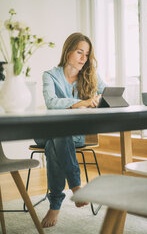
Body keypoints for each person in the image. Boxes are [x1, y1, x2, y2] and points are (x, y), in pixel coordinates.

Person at [35, 32, 106, 228]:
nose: (84, 58)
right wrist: (80, 103)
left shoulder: (90, 75)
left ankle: (55, 204)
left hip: (73, 136)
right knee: (57, 132)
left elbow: (107, 95)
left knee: (55, 142)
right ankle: (76, 187)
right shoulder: (49, 75)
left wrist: (97, 100)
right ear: (68, 52)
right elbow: (51, 102)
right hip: (45, 132)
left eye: (87, 54)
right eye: (79, 52)